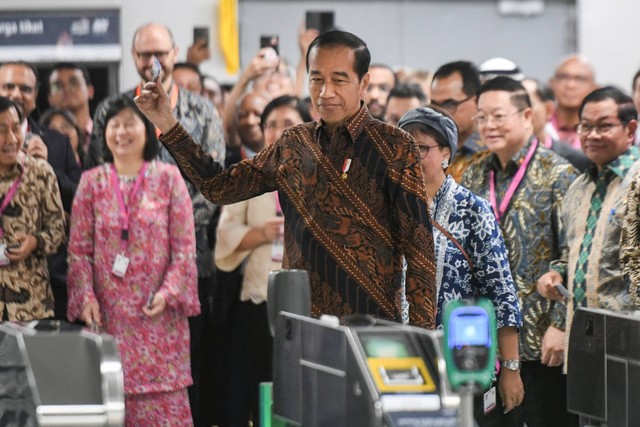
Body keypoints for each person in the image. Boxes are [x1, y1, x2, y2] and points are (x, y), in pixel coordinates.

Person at [135, 30, 438, 328]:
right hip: (304, 323)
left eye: (339, 80)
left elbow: (419, 250)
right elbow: (219, 186)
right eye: (317, 78)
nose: (325, 91)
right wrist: (167, 123)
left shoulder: (395, 147)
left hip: (374, 324)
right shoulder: (294, 144)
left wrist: (421, 339)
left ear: (364, 83)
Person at [86, 23, 225, 426]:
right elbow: (103, 181)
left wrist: (166, 228)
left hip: (187, 264)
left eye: (160, 53)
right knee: (117, 381)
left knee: (187, 376)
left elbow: (212, 185)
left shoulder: (201, 111)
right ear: (133, 58)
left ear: (176, 52)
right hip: (118, 275)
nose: (153, 62)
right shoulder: (111, 111)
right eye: (144, 55)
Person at [67, 96, 199, 426]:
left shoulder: (169, 179)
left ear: (148, 130)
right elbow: (79, 252)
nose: (122, 131)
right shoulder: (91, 183)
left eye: (130, 123)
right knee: (110, 405)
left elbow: (185, 250)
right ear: (104, 132)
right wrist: (85, 298)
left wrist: (168, 292)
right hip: (107, 320)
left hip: (159, 320)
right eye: (115, 124)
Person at [461, 76, 578, 427]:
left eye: (498, 116)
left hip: (539, 340)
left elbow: (574, 253)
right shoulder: (473, 174)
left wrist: (561, 325)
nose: (488, 126)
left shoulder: (558, 174)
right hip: (482, 338)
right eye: (481, 117)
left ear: (527, 116)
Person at [398, 107, 523, 418]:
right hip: (400, 356)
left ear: (445, 153)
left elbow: (501, 293)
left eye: (422, 148)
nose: (411, 156)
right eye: (404, 148)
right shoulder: (388, 206)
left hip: (461, 358)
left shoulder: (472, 210)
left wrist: (510, 368)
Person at [215, 95, 309, 426]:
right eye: (271, 125)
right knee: (262, 385)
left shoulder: (326, 176)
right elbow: (225, 236)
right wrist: (262, 233)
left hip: (313, 305)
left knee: (307, 390)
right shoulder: (249, 175)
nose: (280, 132)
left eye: (288, 123)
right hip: (260, 300)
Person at [537, 87, 640, 362]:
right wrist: (557, 275)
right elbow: (571, 253)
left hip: (631, 341)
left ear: (630, 129)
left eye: (604, 126)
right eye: (586, 127)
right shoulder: (579, 188)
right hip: (585, 341)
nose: (592, 135)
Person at [0, 61, 82, 320]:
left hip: (36, 296)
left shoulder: (53, 150)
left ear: (36, 98)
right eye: (8, 86)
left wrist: (35, 242)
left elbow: (74, 210)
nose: (15, 94)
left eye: (25, 88)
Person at [0, 97, 66, 321]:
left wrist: (35, 242)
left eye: (16, 128)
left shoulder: (40, 173)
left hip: (32, 305)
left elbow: (58, 231)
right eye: (1, 130)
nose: (11, 138)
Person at [430, 61, 486, 182]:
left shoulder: (493, 152)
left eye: (450, 104)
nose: (440, 113)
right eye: (434, 106)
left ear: (477, 101)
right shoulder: (429, 151)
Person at [522, 78, 590, 172]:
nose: (517, 112)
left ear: (548, 110)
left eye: (525, 105)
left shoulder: (574, 161)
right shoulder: (499, 158)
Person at [548, 55, 598, 150]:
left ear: (594, 88)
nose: (571, 85)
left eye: (580, 79)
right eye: (563, 77)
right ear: (551, 83)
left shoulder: (601, 130)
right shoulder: (539, 125)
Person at [48, 62, 94, 153]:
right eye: (57, 85)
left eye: (74, 82)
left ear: (90, 91)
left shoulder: (107, 135)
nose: (66, 88)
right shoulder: (43, 140)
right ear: (50, 98)